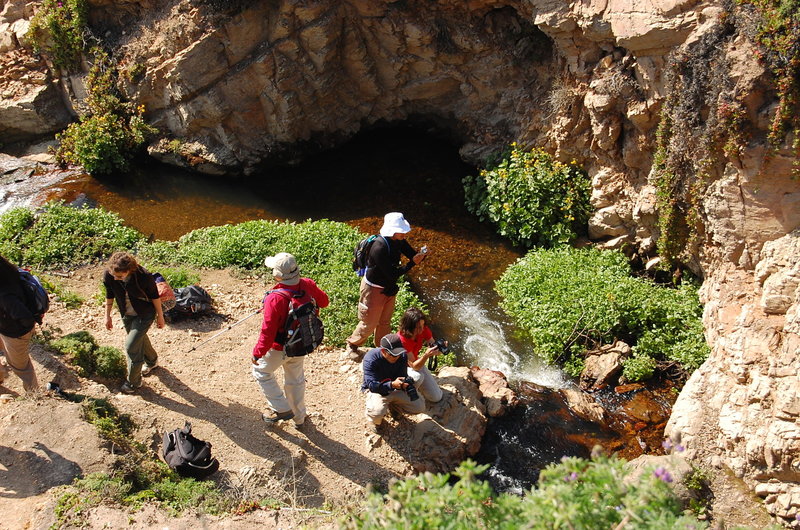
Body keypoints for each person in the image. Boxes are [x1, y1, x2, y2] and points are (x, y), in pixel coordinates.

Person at [252, 252, 329, 427]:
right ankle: (299, 418)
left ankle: (281, 408)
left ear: (278, 275)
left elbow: (268, 331)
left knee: (262, 372)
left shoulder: (275, 298)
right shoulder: (307, 284)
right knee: (295, 380)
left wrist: (258, 353)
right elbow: (324, 302)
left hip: (280, 348)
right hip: (302, 343)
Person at [346, 212, 427, 360]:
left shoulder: (399, 240)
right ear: (392, 230)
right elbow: (393, 274)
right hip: (374, 288)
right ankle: (352, 345)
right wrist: (411, 264)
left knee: (384, 322)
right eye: (401, 231)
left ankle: (383, 349)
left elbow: (410, 253)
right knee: (369, 322)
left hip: (389, 287)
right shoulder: (379, 248)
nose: (404, 233)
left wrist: (419, 256)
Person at [103, 252, 165, 394]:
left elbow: (155, 296)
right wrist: (107, 315)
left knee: (131, 345)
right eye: (113, 274)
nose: (115, 278)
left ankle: (134, 383)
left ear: (129, 271)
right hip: (127, 313)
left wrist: (160, 316)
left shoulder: (144, 276)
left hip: (145, 313)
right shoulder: (109, 274)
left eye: (119, 276)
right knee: (138, 339)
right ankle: (152, 361)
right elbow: (109, 294)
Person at [362, 333, 425, 433]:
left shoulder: (402, 356)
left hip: (394, 387)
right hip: (377, 390)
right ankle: (373, 420)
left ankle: (394, 407)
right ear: (383, 351)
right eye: (393, 354)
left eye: (399, 353)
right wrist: (391, 385)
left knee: (419, 406)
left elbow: (402, 374)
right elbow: (372, 386)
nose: (397, 356)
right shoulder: (371, 359)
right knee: (377, 412)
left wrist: (405, 384)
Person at [0, 254, 40, 392]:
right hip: (5, 327)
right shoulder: (8, 273)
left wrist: (19, 334)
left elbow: (26, 318)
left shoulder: (4, 295)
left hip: (15, 333)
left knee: (21, 368)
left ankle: (35, 398)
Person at [397, 307, 443, 403]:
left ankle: (417, 388)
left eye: (422, 325)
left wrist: (439, 348)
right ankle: (405, 395)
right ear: (409, 326)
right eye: (418, 327)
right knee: (418, 377)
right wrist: (426, 355)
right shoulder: (402, 339)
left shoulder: (423, 329)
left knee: (436, 397)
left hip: (416, 363)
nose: (421, 329)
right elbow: (414, 366)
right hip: (401, 368)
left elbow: (432, 344)